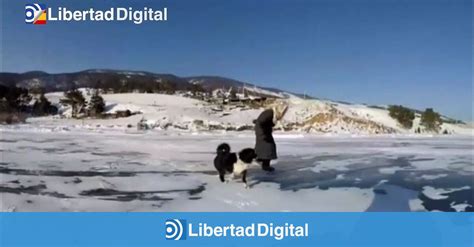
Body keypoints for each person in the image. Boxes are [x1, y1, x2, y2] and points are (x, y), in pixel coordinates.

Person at [254, 101, 288, 172]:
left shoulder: (272, 113)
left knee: (263, 146)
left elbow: (267, 122)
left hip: (264, 131)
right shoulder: (270, 113)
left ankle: (259, 158)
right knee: (269, 147)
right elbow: (261, 122)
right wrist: (262, 135)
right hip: (262, 131)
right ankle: (265, 165)